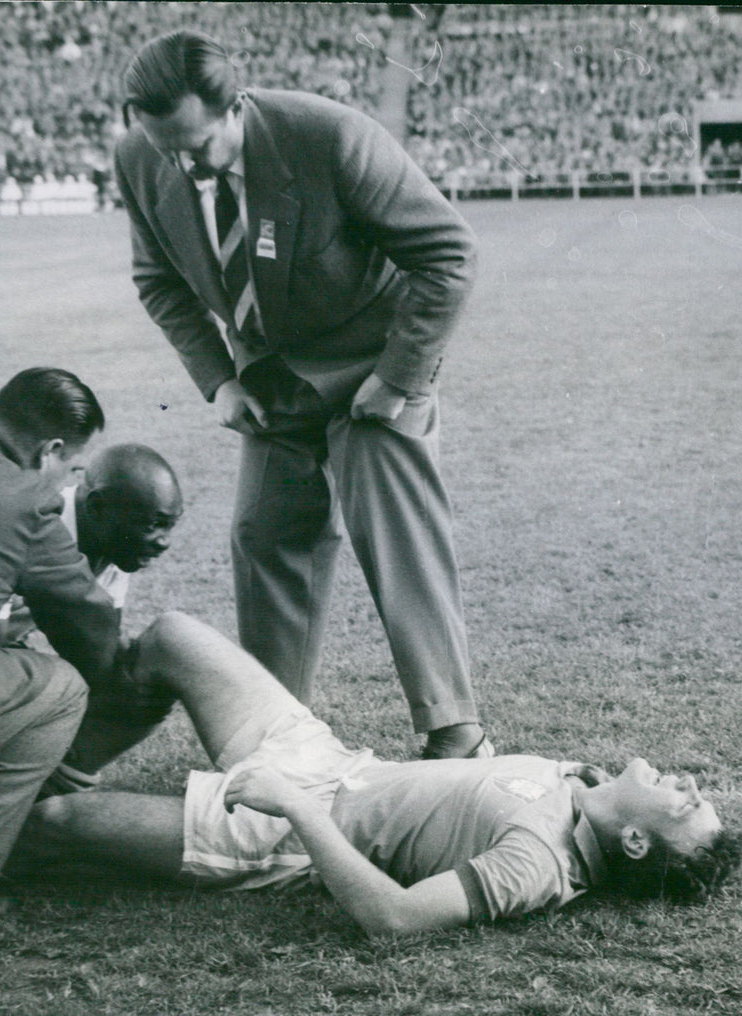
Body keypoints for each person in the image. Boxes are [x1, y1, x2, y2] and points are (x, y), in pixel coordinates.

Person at [114, 29, 488, 760]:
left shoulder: (333, 137)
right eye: (166, 148)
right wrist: (219, 379)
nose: (182, 164)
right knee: (264, 535)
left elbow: (450, 254)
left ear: (237, 107)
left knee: (395, 529)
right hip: (268, 379)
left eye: (197, 146)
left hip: (372, 364)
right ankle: (275, 731)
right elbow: (158, 279)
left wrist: (398, 378)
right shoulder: (141, 154)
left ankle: (454, 731)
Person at [25, 612, 742, 937]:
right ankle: (49, 762)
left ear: (640, 845)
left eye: (688, 804)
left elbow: (393, 919)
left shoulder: (538, 866)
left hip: (283, 834)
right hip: (328, 758)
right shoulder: (584, 786)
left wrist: (294, 809)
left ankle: (7, 799)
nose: (687, 784)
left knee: (50, 825)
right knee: (171, 637)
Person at [0, 368, 123, 924]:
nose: (68, 482)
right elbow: (86, 619)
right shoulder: (27, 498)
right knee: (60, 687)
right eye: (73, 468)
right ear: (49, 450)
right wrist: (121, 689)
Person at [0, 443, 185, 793]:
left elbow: (104, 638)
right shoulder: (29, 520)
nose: (163, 542)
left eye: (169, 526)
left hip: (1, 655)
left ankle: (53, 783)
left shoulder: (113, 541)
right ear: (97, 507)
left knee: (132, 683)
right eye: (154, 525)